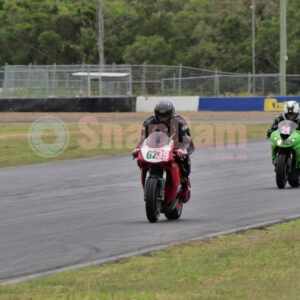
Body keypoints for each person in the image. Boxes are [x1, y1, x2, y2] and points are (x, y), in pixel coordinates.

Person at [132, 100, 194, 203]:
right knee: (140, 159)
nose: (163, 118)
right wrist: (138, 149)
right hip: (155, 148)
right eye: (160, 116)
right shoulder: (148, 123)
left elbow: (187, 140)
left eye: (165, 116)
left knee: (184, 159)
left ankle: (184, 182)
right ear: (156, 115)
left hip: (176, 147)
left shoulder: (180, 122)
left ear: (171, 115)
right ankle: (149, 180)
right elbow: (143, 140)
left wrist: (183, 150)